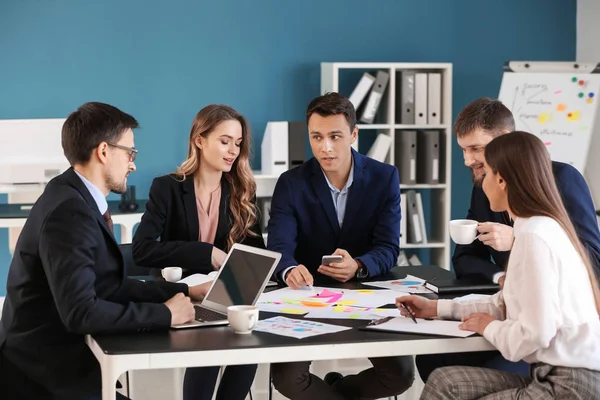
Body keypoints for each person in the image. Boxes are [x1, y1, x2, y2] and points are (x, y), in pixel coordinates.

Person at [0, 102, 209, 400]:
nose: (133, 164)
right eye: (129, 153)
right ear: (103, 151)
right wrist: (165, 315)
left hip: (49, 361)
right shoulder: (70, 213)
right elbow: (81, 312)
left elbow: (107, 285)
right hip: (38, 375)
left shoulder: (71, 193)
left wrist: (186, 292)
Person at [398, 131, 600, 399]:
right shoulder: (532, 227)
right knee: (446, 381)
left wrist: (488, 326)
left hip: (567, 386)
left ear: (502, 180)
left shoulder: (535, 236)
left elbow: (535, 334)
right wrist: (437, 307)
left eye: (487, 173)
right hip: (548, 374)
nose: (481, 181)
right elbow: (503, 303)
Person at [266, 92, 414, 400]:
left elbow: (388, 247)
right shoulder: (291, 182)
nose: (325, 147)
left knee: (399, 377)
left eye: (335, 136)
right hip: (307, 297)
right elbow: (279, 247)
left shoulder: (383, 177)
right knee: (287, 378)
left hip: (364, 295)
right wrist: (290, 269)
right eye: (316, 137)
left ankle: (339, 390)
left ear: (354, 134)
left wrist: (358, 265)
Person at [132, 104, 263, 400]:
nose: (233, 151)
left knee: (248, 345)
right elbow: (142, 250)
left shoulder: (243, 192)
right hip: (185, 295)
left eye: (238, 143)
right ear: (199, 140)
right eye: (224, 141)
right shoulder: (167, 188)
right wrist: (206, 253)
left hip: (228, 294)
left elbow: (256, 254)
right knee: (210, 345)